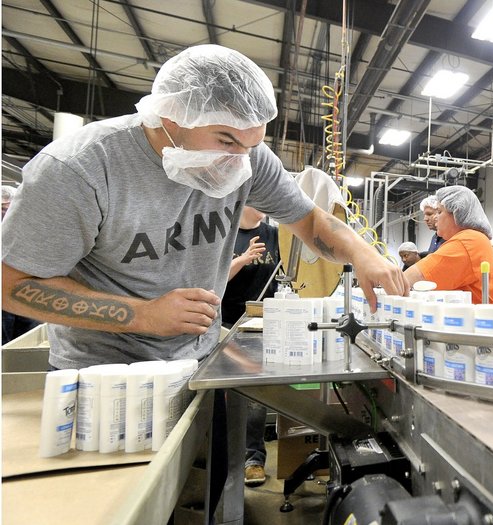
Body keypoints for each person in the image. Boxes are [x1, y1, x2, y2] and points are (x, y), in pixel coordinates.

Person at [1, 44, 407, 512]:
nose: (240, 161)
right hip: (105, 378)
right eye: (226, 141)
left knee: (214, 491)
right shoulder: (81, 168)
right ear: (170, 116)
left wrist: (364, 253)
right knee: (113, 506)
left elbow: (311, 223)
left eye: (251, 145)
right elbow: (12, 284)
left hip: (199, 363)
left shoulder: (248, 161)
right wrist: (143, 315)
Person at [221, 205, 279, 487]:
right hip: (225, 324)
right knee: (220, 396)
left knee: (255, 395)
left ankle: (253, 459)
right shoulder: (224, 232)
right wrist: (242, 260)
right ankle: (219, 459)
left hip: (262, 324)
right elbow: (212, 280)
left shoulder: (275, 235)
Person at [404, 186, 493, 304]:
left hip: (475, 320)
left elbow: (408, 279)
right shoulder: (475, 239)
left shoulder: (466, 241)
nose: (435, 218)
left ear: (457, 213)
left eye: (439, 212)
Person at [2, 185, 40, 344]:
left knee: (25, 338)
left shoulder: (28, 226)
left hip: (26, 290)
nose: (6, 212)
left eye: (9, 207)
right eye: (3, 208)